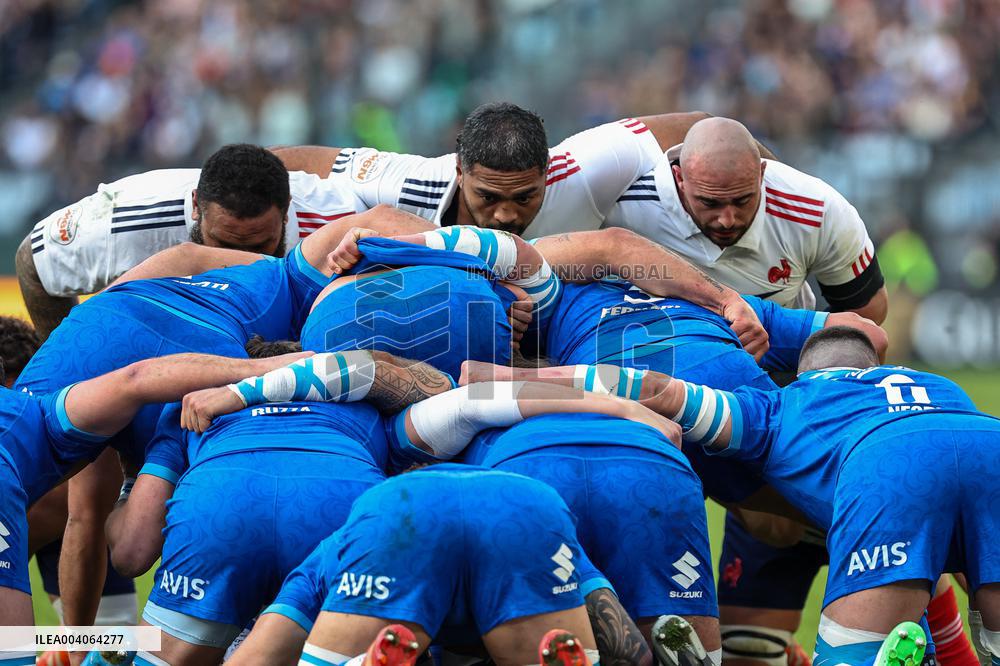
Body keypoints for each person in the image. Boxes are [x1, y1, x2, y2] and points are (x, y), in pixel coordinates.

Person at [15, 204, 433, 634]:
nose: (234, 254)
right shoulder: (347, 379)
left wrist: (75, 643)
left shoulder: (179, 408)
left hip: (215, 496)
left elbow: (128, 551)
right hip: (346, 499)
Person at [524, 326, 999, 666]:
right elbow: (957, 463)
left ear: (804, 374)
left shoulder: (781, 404)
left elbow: (653, 388)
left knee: (852, 653)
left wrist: (501, 382)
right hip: (988, 440)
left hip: (887, 465)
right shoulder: (943, 386)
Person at [0, 349, 308, 642]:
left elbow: (122, 550)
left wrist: (71, 646)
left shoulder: (40, 423)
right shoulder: (37, 419)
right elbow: (137, 377)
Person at [15, 143, 361, 339]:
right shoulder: (131, 217)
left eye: (259, 247)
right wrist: (66, 367)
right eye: (223, 243)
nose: (234, 262)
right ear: (196, 206)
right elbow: (33, 263)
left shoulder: (336, 220)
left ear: (287, 213)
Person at [281, 103, 774, 240]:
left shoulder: (587, 165)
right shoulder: (405, 180)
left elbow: (701, 125)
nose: (504, 215)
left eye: (524, 197)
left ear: (547, 172)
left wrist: (783, 185)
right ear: (459, 170)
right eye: (488, 196)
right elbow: (318, 160)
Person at [603, 117, 887, 320]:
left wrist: (802, 351)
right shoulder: (621, 208)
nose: (727, 219)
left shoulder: (817, 209)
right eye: (709, 202)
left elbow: (867, 310)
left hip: (782, 374)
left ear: (762, 174)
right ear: (680, 179)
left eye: (742, 200)